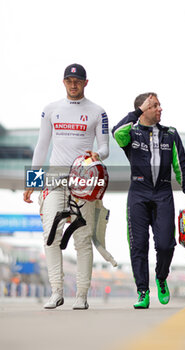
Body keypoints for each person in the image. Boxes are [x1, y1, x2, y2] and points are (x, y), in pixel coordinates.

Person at [23, 63, 109, 310]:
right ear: (64, 82)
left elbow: (105, 147)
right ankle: (56, 292)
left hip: (84, 178)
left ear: (85, 83)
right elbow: (42, 146)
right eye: (69, 80)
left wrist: (98, 155)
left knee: (82, 238)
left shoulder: (98, 112)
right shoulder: (50, 110)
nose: (73, 84)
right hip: (55, 177)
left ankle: (81, 295)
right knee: (50, 233)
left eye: (78, 80)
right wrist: (32, 182)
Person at [112, 93, 185, 309]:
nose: (160, 109)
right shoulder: (130, 133)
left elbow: (181, 166)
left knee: (166, 244)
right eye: (154, 105)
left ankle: (161, 277)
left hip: (163, 194)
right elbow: (115, 132)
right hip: (138, 194)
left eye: (159, 105)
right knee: (138, 246)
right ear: (143, 109)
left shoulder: (170, 134)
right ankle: (142, 291)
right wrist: (138, 111)